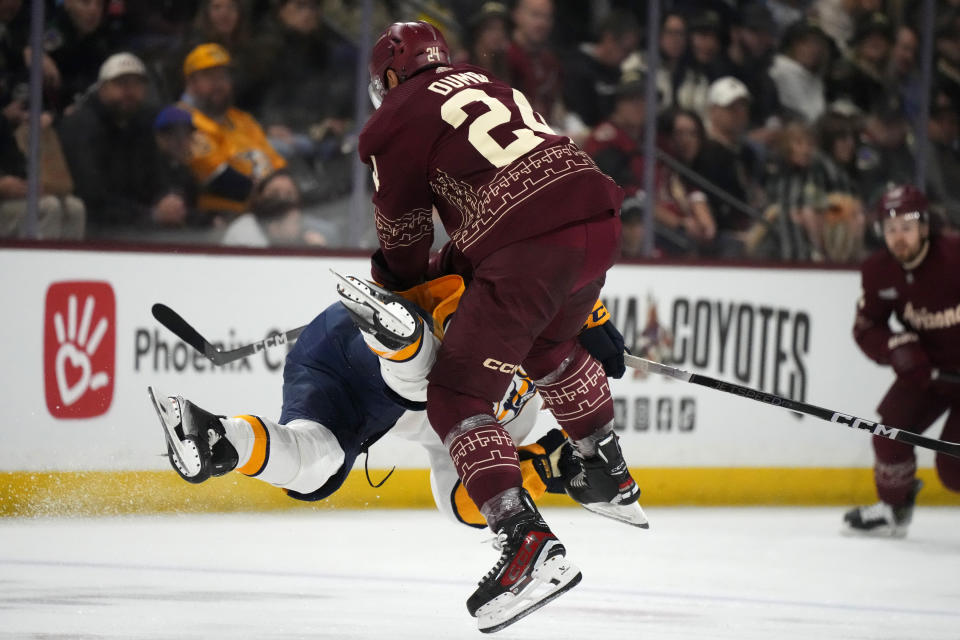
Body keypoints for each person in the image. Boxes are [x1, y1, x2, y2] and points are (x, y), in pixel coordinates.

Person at [359, 21, 644, 632]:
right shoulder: (489, 84)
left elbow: (405, 241)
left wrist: (400, 283)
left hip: (531, 242)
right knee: (548, 343)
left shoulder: (395, 116)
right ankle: (608, 470)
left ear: (388, 76)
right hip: (597, 215)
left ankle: (525, 546)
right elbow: (518, 192)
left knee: (458, 394)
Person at [150, 273, 627, 527]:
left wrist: (539, 470)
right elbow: (546, 270)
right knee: (434, 389)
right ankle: (401, 341)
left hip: (333, 365)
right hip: (389, 352)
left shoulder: (482, 447)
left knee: (320, 466)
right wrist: (590, 312)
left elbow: (463, 505)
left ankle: (217, 439)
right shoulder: (531, 396)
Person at [843, 184, 960, 538]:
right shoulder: (878, 271)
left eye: (907, 227)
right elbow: (867, 327)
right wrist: (894, 347)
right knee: (889, 433)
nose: (899, 237)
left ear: (925, 227)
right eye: (890, 229)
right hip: (929, 371)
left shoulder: (955, 256)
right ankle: (894, 510)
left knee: (953, 469)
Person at [58, 52, 188, 237]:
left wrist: (170, 200)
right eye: (121, 83)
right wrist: (150, 215)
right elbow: (91, 196)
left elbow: (157, 178)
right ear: (102, 88)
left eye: (137, 84)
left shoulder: (143, 124)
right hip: (92, 230)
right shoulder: (81, 126)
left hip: (137, 224)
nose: (130, 91)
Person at [177, 43, 286, 224]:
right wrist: (271, 194)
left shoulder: (242, 119)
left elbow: (276, 162)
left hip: (270, 210)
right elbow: (218, 178)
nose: (218, 84)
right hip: (225, 218)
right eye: (209, 77)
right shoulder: (183, 122)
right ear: (191, 83)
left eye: (223, 76)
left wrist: (285, 184)